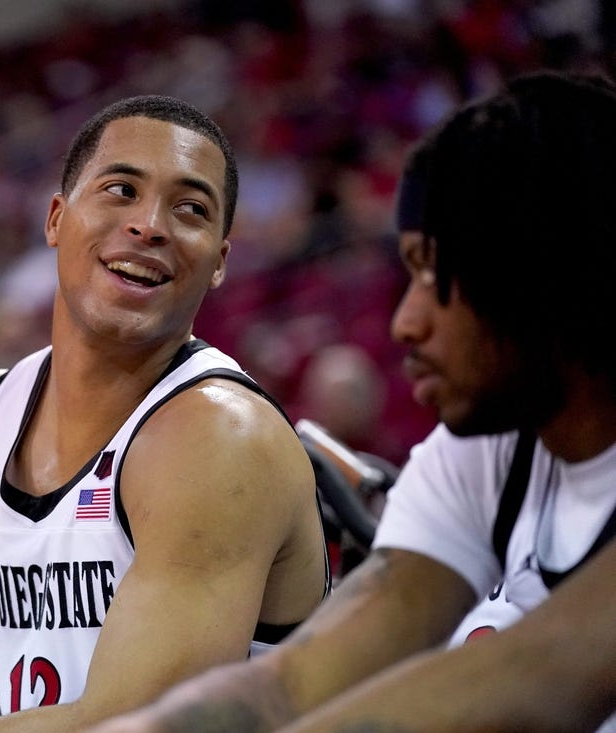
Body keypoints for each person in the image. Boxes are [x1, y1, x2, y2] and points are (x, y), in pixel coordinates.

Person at [87, 70, 616, 732]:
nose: (405, 321)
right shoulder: (479, 456)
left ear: (541, 275)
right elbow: (291, 684)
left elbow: (527, 685)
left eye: (432, 273)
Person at [0, 94, 330, 733]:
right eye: (121, 190)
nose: (151, 224)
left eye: (191, 209)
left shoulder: (220, 438)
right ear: (57, 221)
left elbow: (152, 725)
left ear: (219, 264)